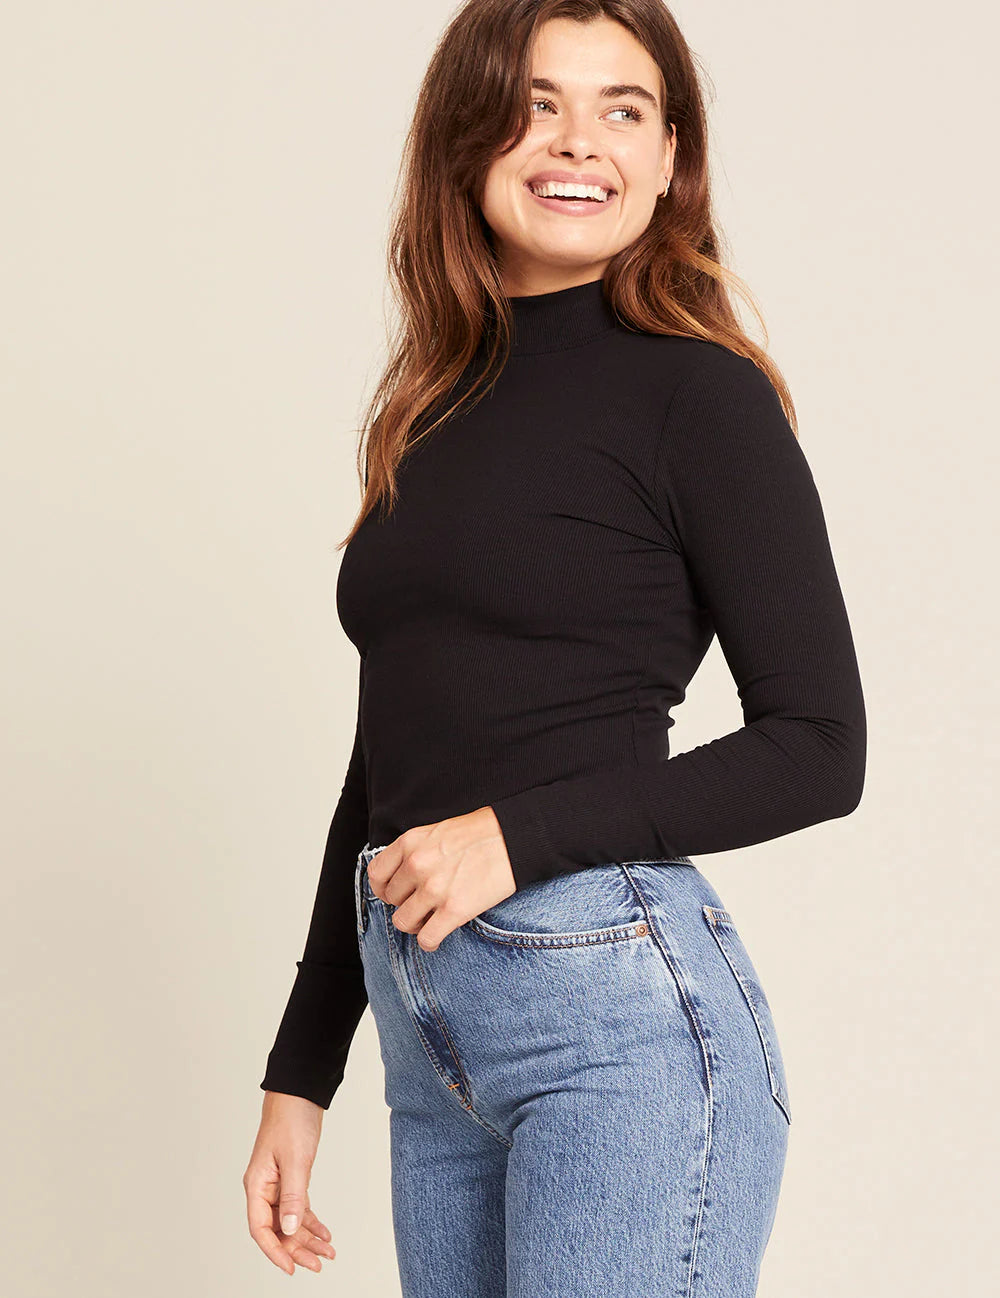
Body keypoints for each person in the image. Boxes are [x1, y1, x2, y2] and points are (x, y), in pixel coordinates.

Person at [243, 2, 866, 1294]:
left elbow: (820, 748)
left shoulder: (698, 392)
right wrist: (303, 1069)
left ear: (667, 154)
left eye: (621, 109)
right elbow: (392, 751)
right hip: (430, 1034)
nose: (578, 141)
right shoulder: (433, 405)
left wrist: (518, 835)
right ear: (466, 135)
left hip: (612, 1021)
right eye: (536, 103)